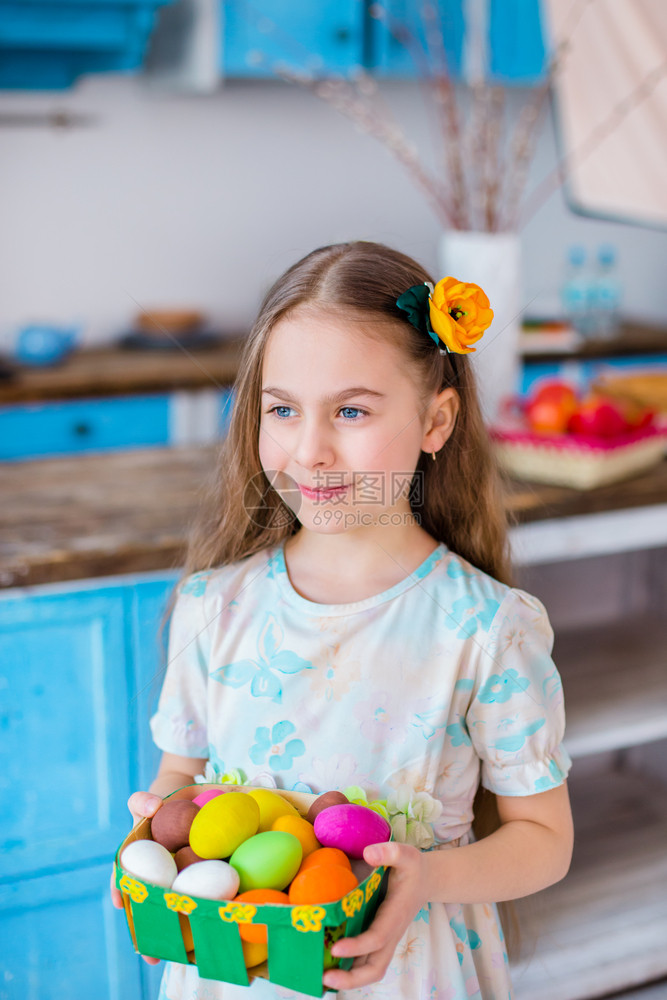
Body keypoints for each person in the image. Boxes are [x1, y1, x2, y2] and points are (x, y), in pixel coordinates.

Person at [112, 241, 574, 1000]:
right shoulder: (212, 606)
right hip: (236, 976)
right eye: (282, 409)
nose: (309, 450)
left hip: (405, 972)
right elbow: (182, 776)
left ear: (436, 419)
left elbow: (543, 842)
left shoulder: (486, 628)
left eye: (351, 411)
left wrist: (425, 878)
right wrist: (160, 829)